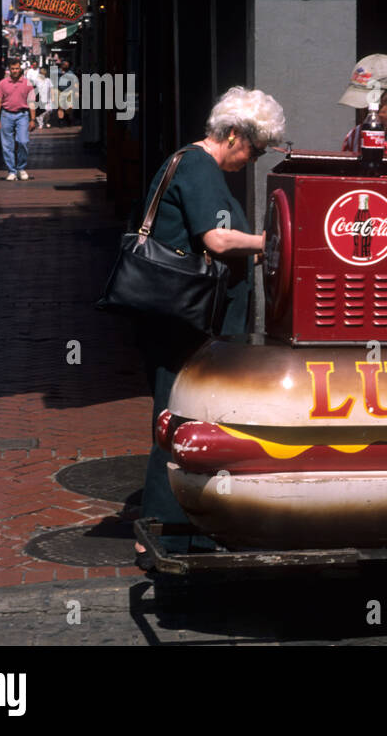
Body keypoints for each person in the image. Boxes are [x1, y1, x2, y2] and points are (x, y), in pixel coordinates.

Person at [134, 86, 285, 561]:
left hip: (185, 316)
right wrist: (268, 241)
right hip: (185, 318)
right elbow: (217, 239)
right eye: (255, 149)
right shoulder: (200, 167)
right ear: (235, 134)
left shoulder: (198, 164)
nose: (254, 158)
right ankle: (168, 523)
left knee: (183, 409)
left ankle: (182, 519)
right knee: (178, 410)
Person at [0, 59, 37, 181]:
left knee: (23, 142)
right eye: (12, 69)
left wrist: (33, 119)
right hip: (6, 115)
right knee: (7, 145)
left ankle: (21, 168)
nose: (15, 71)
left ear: (20, 69)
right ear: (9, 70)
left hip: (22, 115)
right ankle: (12, 171)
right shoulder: (3, 83)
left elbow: (32, 102)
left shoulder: (27, 83)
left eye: (17, 68)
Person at [55, 59, 79, 127]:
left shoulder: (71, 73)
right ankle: (61, 121)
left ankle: (67, 116)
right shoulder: (57, 72)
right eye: (65, 64)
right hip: (59, 90)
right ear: (62, 65)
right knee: (60, 107)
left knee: (69, 107)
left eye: (67, 65)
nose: (66, 66)